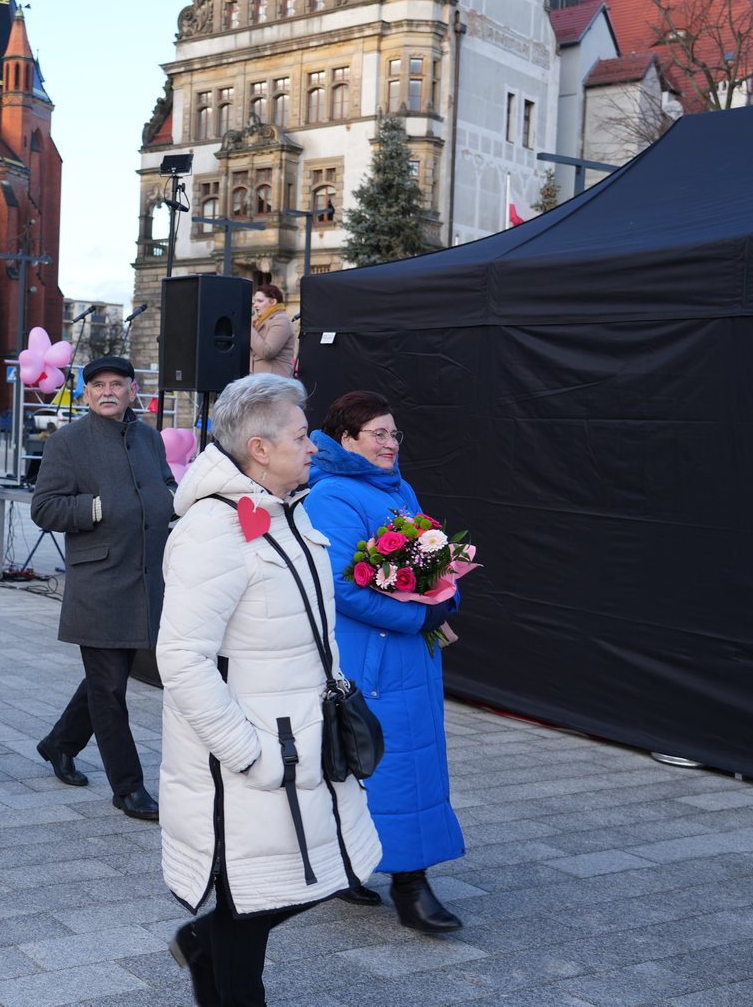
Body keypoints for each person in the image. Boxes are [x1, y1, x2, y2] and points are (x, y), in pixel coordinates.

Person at [159, 374, 382, 1007]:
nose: (314, 446)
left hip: (302, 743)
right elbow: (181, 659)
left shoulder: (285, 509)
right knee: (252, 901)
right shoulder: (213, 529)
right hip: (257, 757)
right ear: (259, 448)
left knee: (307, 877)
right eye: (301, 435)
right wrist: (250, 753)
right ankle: (211, 956)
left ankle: (203, 945)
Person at [300, 390, 465, 934]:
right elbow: (343, 586)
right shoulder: (331, 495)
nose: (391, 443)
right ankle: (410, 884)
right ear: (346, 439)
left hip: (410, 658)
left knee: (407, 764)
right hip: (370, 662)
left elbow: (432, 558)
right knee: (391, 768)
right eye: (379, 434)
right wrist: (418, 616)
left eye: (394, 434)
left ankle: (352, 863)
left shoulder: (398, 487)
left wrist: (444, 593)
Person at [31, 355, 175, 821]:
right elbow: (44, 507)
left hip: (146, 580)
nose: (107, 391)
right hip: (98, 584)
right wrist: (95, 508)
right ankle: (128, 788)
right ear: (87, 393)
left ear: (133, 390)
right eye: (98, 385)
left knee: (106, 679)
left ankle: (60, 742)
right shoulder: (68, 442)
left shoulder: (149, 438)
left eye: (116, 384)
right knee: (110, 687)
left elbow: (167, 485)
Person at [249, 283, 296, 377]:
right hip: (258, 380)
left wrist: (248, 327)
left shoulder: (281, 320)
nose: (255, 305)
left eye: (260, 301)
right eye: (255, 301)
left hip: (274, 380)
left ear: (273, 302)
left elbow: (267, 352)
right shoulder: (259, 322)